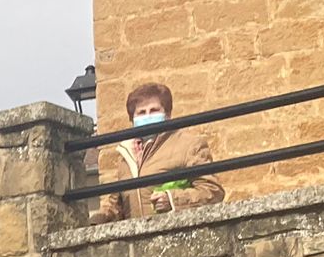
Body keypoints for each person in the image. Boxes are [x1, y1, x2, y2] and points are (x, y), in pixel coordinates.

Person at [93, 82, 225, 222]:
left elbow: (212, 191)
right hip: (137, 240)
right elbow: (117, 205)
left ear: (167, 114)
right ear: (132, 120)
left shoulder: (189, 145)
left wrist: (172, 199)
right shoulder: (126, 156)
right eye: (141, 112)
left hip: (176, 235)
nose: (148, 116)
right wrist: (100, 218)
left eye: (154, 110)